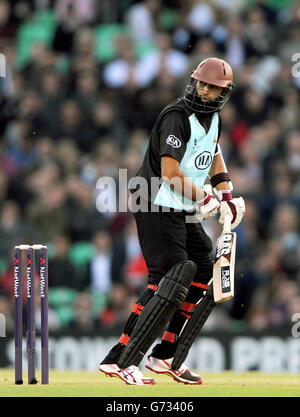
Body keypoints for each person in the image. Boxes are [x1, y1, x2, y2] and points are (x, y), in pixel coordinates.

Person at [99, 58, 245, 385]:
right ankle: (120, 359)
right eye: (202, 84)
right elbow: (170, 175)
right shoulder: (177, 116)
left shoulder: (214, 118)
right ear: (194, 82)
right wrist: (208, 199)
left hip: (178, 206)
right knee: (168, 278)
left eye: (214, 88)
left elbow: (213, 154)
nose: (205, 92)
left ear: (224, 94)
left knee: (203, 269)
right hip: (153, 200)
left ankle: (164, 355)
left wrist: (227, 193)